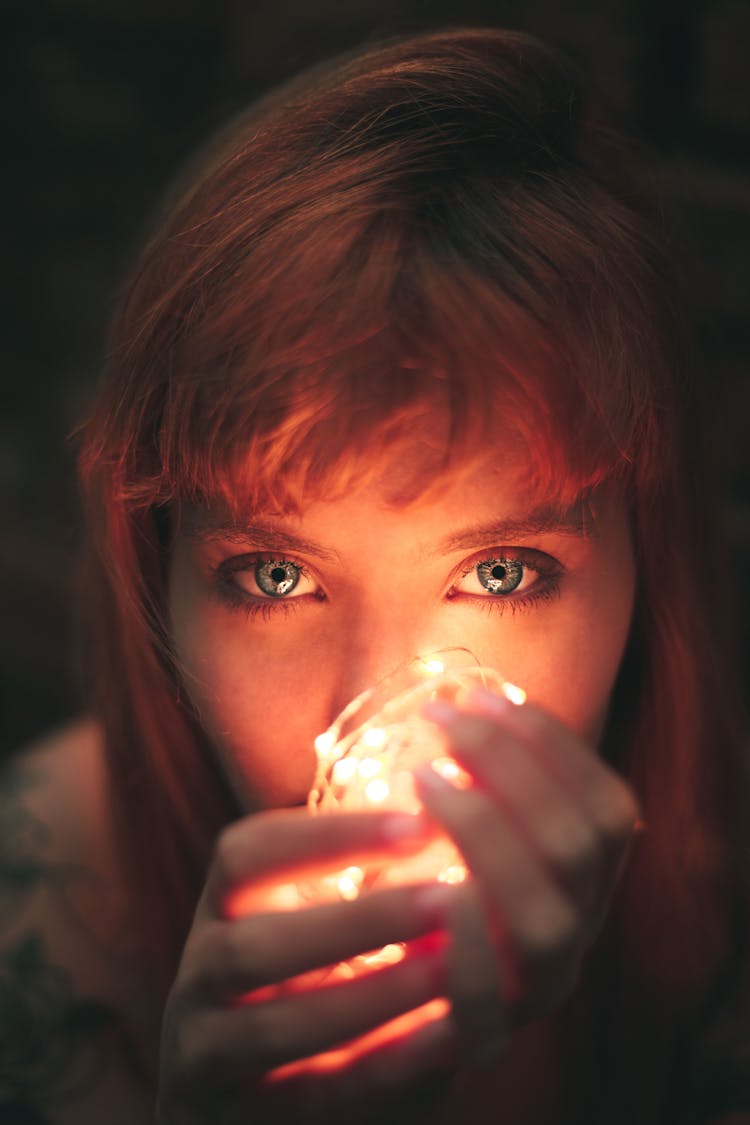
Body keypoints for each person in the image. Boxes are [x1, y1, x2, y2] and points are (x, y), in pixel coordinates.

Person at [3, 24, 749, 1125]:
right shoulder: (39, 916)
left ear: (649, 574)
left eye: (501, 572)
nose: (380, 713)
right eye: (271, 577)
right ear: (156, 580)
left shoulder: (725, 929)